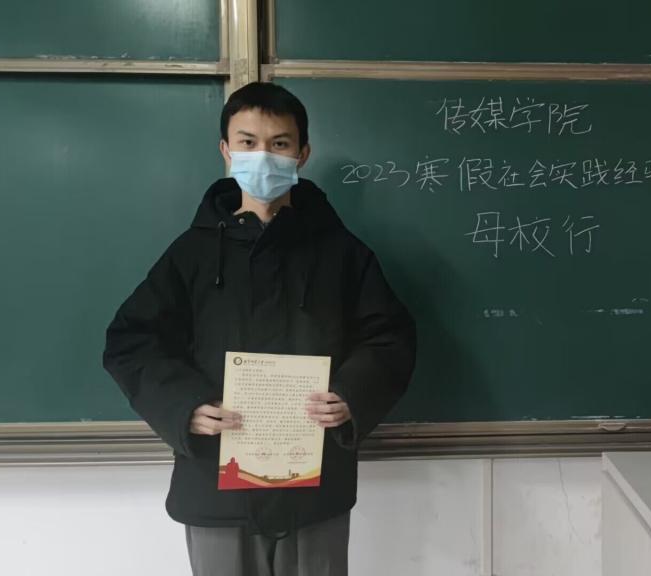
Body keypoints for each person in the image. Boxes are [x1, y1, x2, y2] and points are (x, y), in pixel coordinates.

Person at [103, 82, 416, 575]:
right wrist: (184, 406)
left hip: (314, 483)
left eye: (279, 143)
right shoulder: (191, 253)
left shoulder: (342, 252)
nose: (263, 156)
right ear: (226, 151)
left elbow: (390, 337)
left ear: (302, 153)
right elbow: (131, 341)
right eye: (248, 142)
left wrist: (351, 394)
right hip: (215, 484)